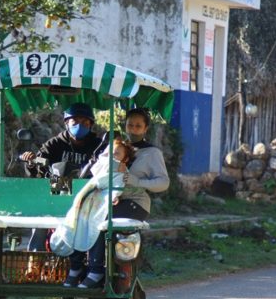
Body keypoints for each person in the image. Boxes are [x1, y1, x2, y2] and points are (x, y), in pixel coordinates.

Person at [64, 108, 170, 288]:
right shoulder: (115, 147)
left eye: (138, 126)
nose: (133, 129)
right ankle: (76, 266)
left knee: (100, 219)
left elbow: (163, 182)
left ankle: (96, 270)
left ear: (145, 129)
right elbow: (97, 168)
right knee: (80, 214)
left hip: (135, 203)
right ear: (125, 126)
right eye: (130, 125)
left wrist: (137, 181)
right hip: (108, 199)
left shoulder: (152, 153)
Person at [20, 102, 102, 249]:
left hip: (87, 197)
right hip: (56, 195)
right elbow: (40, 164)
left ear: (90, 125)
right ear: (67, 123)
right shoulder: (55, 144)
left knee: (95, 227)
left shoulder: (98, 145)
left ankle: (90, 264)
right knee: (40, 221)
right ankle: (35, 260)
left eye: (84, 122)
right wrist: (31, 161)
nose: (79, 125)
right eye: (75, 121)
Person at [50, 139, 134, 261]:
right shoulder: (97, 167)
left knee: (92, 223)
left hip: (98, 203)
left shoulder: (121, 171)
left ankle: (92, 266)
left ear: (125, 159)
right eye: (109, 153)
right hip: (78, 202)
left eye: (116, 154)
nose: (111, 157)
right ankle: (75, 264)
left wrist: (113, 195)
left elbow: (115, 185)